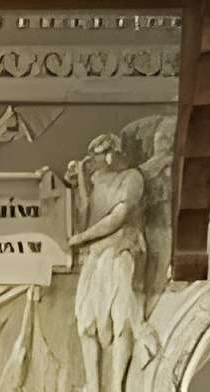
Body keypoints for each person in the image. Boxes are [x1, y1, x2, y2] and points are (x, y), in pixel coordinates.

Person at [68, 135, 150, 392]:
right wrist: (81, 180)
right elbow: (86, 213)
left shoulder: (132, 178)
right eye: (92, 155)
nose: (94, 160)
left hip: (121, 251)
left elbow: (116, 218)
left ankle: (117, 386)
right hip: (96, 255)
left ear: (112, 154)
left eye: (98, 154)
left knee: (121, 318)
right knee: (86, 319)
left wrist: (82, 237)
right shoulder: (96, 181)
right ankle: (93, 385)